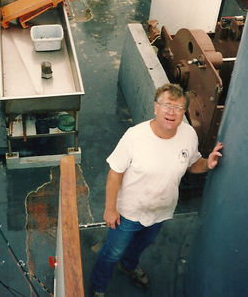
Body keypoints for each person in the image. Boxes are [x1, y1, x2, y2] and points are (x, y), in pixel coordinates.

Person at [90, 83, 223, 297]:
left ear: (183, 112)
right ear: (155, 107)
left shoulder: (188, 134)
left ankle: (129, 266)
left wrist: (208, 163)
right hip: (128, 213)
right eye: (166, 105)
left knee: (142, 245)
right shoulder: (134, 137)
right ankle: (98, 286)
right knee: (112, 252)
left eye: (178, 108)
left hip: (161, 212)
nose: (171, 112)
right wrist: (110, 209)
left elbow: (192, 163)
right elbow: (115, 173)